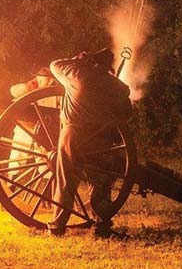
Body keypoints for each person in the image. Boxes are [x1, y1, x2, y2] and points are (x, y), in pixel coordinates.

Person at [47, 48, 133, 238]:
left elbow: (54, 65)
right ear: (108, 67)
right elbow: (126, 112)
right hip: (99, 138)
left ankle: (57, 225)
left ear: (92, 62)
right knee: (99, 182)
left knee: (65, 181)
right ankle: (101, 226)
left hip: (72, 135)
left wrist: (79, 59)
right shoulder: (116, 86)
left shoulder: (76, 74)